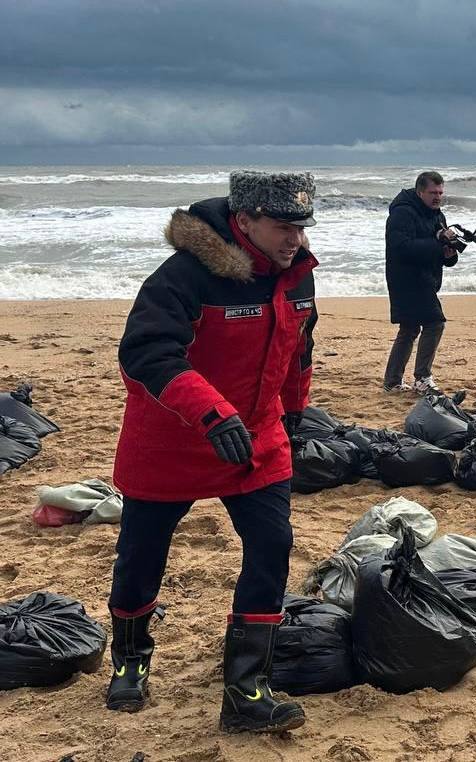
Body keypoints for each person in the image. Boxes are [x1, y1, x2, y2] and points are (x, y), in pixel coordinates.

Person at [107, 171, 319, 733]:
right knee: (140, 556)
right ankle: (130, 660)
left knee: (272, 544)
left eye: (300, 226)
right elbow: (146, 351)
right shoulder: (184, 276)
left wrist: (294, 414)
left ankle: (247, 688)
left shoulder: (297, 275)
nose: (294, 238)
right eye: (282, 226)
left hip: (256, 438)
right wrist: (210, 411)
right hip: (173, 436)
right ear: (243, 221)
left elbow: (298, 349)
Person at [383, 170, 459, 395]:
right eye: (433, 192)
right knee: (435, 323)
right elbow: (401, 248)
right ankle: (422, 378)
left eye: (440, 192)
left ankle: (392, 382)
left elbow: (445, 256)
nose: (437, 197)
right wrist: (437, 244)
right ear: (419, 191)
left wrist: (449, 253)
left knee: (409, 328)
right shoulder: (402, 213)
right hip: (406, 279)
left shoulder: (437, 214)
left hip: (426, 278)